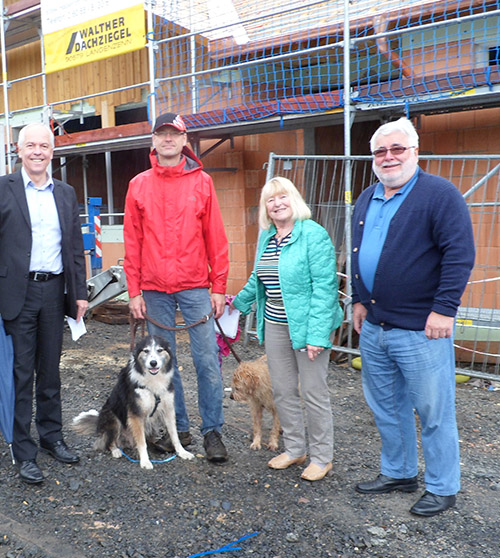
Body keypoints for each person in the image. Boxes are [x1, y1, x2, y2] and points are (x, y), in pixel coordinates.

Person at [351, 117, 475, 517]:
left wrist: (444, 309)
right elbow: (358, 253)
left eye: (397, 149)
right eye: (381, 151)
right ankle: (399, 472)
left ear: (415, 152)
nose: (389, 157)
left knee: (434, 411)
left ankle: (442, 487)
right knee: (386, 407)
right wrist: (358, 300)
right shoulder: (367, 197)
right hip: (375, 325)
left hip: (422, 328)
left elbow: (459, 255)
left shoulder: (439, 195)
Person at [0, 122, 88, 485]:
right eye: (31, 145)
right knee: (21, 374)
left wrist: (79, 293)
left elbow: (74, 249)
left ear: (52, 152)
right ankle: (24, 450)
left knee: (50, 371)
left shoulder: (65, 194)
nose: (38, 151)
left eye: (44, 146)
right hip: (15, 294)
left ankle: (52, 436)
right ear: (18, 150)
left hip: (54, 292)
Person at [123, 112, 230, 462]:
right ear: (153, 141)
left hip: (195, 286)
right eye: (161, 134)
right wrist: (134, 290)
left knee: (207, 361)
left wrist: (219, 286)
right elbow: (132, 241)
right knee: (163, 367)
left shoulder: (202, 183)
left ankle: (212, 431)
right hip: (154, 289)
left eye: (175, 134)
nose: (168, 139)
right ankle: (177, 429)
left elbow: (216, 237)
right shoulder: (138, 185)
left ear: (185, 141)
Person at [231, 177, 342, 481]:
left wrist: (318, 335)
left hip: (308, 327)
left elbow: (325, 288)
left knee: (313, 392)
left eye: (282, 197)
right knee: (282, 391)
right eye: (270, 199)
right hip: (276, 324)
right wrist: (234, 304)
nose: (277, 204)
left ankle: (322, 457)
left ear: (294, 199)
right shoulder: (268, 237)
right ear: (266, 208)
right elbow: (259, 279)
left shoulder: (313, 235)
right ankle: (295, 449)